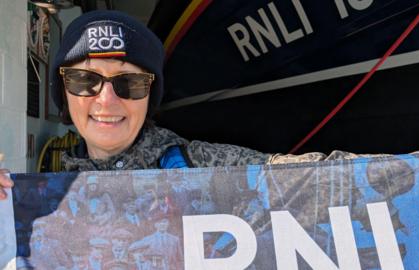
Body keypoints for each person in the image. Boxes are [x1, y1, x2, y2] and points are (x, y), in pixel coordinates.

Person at [0, 10, 329, 198]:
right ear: (64, 92)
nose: (105, 99)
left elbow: (315, 179)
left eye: (128, 82)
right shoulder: (42, 196)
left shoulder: (202, 165)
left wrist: (381, 173)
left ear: (150, 94)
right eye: (85, 81)